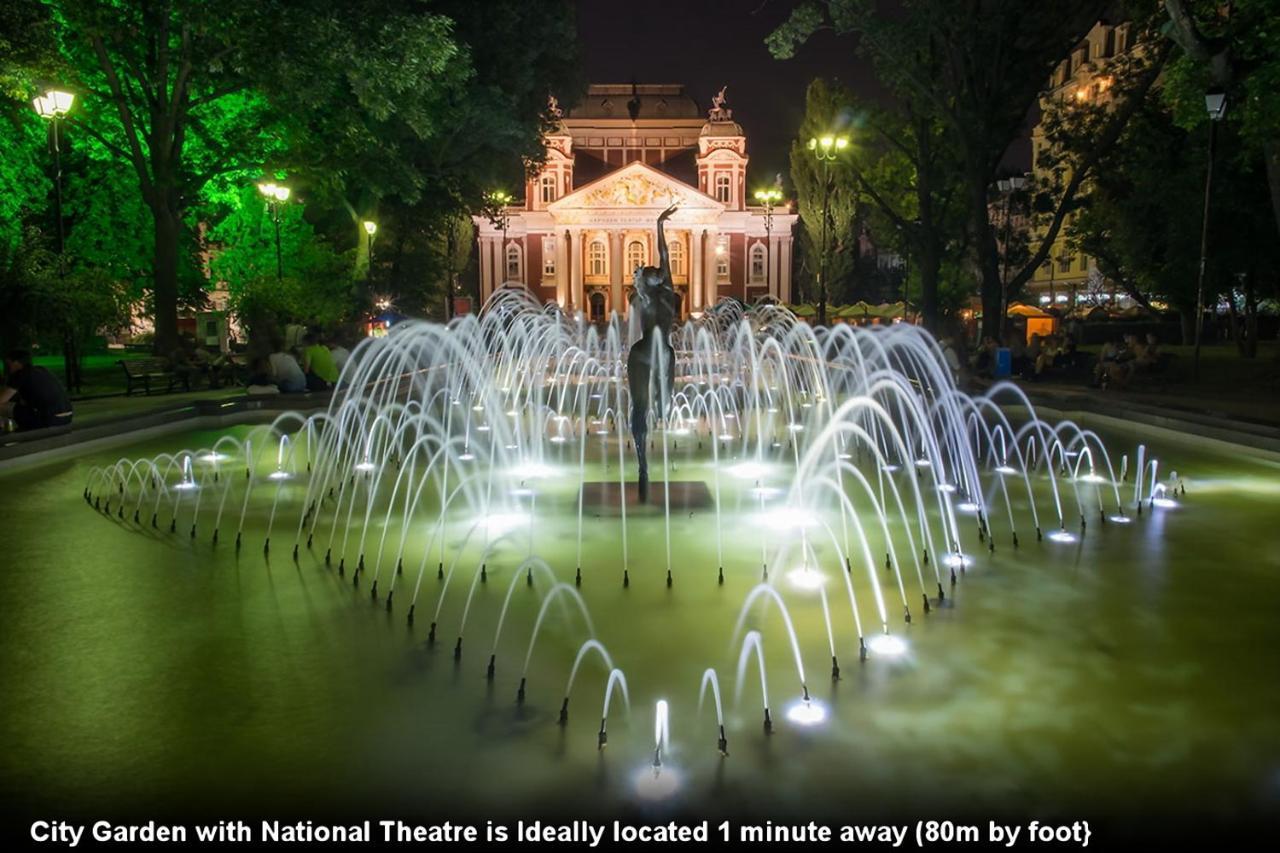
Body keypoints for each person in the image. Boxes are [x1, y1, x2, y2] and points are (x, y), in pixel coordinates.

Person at [0, 349, 74, 431]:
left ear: (16, 363)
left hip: (49, 420)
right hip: (67, 418)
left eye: (8, 364)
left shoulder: (20, 374)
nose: (8, 368)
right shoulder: (42, 370)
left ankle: (4, 430)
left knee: (2, 406)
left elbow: (1, 400)